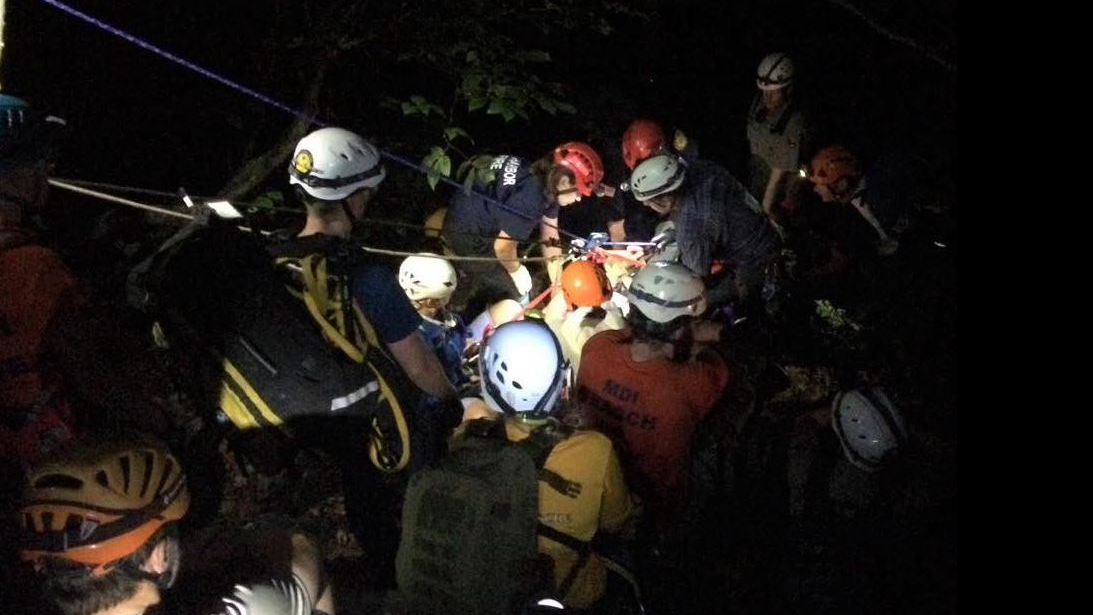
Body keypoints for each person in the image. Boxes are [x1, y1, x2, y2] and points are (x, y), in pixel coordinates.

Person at [460, 321, 640, 610]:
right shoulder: (595, 449)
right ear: (560, 378)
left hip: (490, 591)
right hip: (574, 594)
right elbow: (617, 523)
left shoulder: (466, 440)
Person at [441, 143, 604, 314]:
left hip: (469, 215)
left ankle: (468, 278)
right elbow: (502, 247)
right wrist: (515, 270)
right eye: (578, 192)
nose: (578, 199)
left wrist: (557, 283)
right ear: (563, 181)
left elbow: (550, 235)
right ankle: (461, 304)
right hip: (469, 237)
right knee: (518, 295)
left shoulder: (542, 176)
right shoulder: (531, 199)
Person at [629, 153, 781, 312]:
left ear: (664, 198)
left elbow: (694, 281)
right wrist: (674, 233)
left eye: (649, 201)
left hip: (757, 264)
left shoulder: (692, 230)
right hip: (764, 229)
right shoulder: (700, 168)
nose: (647, 205)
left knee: (692, 305)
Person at [745, 52, 811, 220]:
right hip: (759, 168)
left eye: (774, 92)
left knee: (777, 215)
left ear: (789, 88)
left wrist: (767, 209)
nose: (767, 97)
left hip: (785, 179)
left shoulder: (795, 122)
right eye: (764, 92)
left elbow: (779, 172)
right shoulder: (762, 100)